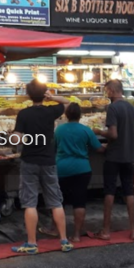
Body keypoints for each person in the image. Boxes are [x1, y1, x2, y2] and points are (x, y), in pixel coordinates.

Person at [9, 80, 72, 254]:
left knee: (30, 202)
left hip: (29, 160)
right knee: (55, 201)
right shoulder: (51, 111)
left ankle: (31, 243)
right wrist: (53, 97)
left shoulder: (24, 114)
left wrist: (15, 138)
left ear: (28, 95)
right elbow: (68, 103)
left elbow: (16, 137)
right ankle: (64, 241)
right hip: (48, 160)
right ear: (45, 94)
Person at [41, 103, 104, 243]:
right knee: (79, 202)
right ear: (80, 115)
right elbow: (98, 148)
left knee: (58, 201)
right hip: (82, 169)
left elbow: (54, 148)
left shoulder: (59, 130)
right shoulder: (86, 130)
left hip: (62, 169)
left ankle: (55, 229)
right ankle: (76, 235)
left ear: (66, 115)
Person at [91, 79, 134, 241]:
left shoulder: (113, 107)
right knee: (129, 191)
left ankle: (106, 231)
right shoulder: (131, 108)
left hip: (114, 156)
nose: (106, 94)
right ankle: (133, 231)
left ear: (112, 90)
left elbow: (113, 134)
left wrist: (98, 131)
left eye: (107, 91)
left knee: (109, 191)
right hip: (129, 155)